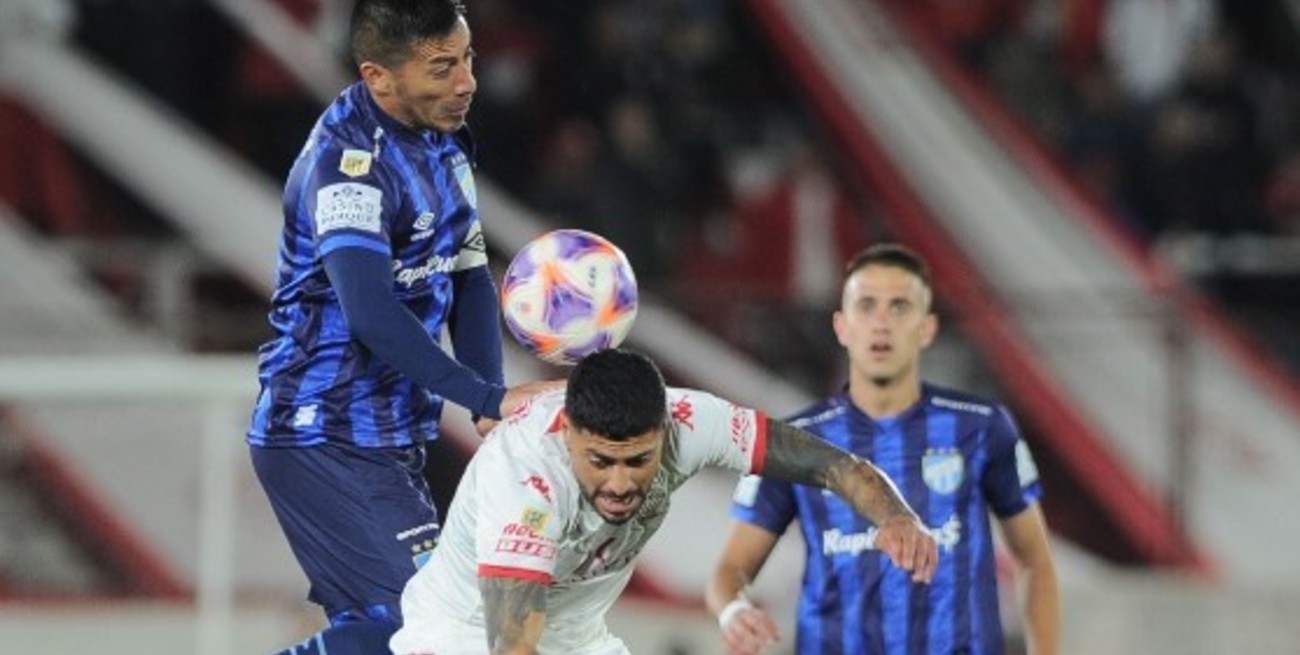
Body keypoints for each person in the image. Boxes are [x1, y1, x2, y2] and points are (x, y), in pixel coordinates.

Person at [247, 1, 556, 653]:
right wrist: (483, 395)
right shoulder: (346, 164)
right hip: (320, 427)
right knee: (425, 630)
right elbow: (370, 312)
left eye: (467, 58)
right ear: (378, 76)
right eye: (442, 67)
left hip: (391, 432)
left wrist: (487, 398)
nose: (467, 81)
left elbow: (469, 275)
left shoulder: (447, 145)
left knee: (408, 632)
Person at [389, 348, 939, 655]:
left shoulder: (693, 422)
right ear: (569, 435)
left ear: (665, 432)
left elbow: (835, 465)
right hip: (460, 635)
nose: (622, 483)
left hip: (578, 638)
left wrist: (896, 516)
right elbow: (512, 647)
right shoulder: (527, 478)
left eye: (639, 460)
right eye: (601, 462)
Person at [707, 244, 1060, 655]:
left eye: (899, 307)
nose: (881, 323)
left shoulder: (982, 427)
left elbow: (1035, 560)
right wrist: (733, 611)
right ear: (841, 326)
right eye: (867, 305)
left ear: (927, 328)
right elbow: (730, 570)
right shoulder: (795, 443)